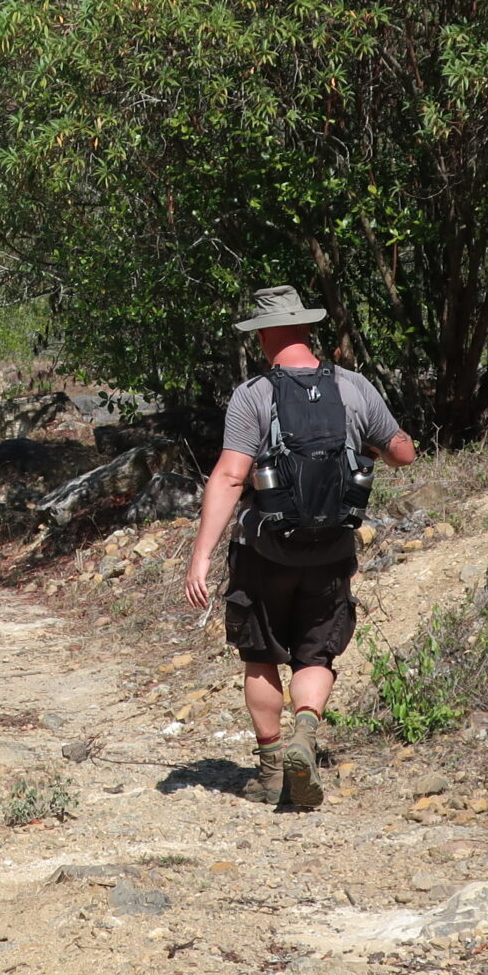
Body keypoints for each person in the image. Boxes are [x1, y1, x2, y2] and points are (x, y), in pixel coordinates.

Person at [185, 286, 417, 808]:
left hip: (263, 551)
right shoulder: (354, 387)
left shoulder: (252, 395)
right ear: (307, 329)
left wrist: (200, 556)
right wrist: (387, 442)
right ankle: (305, 735)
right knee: (317, 652)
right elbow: (402, 452)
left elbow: (230, 476)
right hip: (332, 549)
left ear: (263, 336)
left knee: (261, 655)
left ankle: (271, 772)